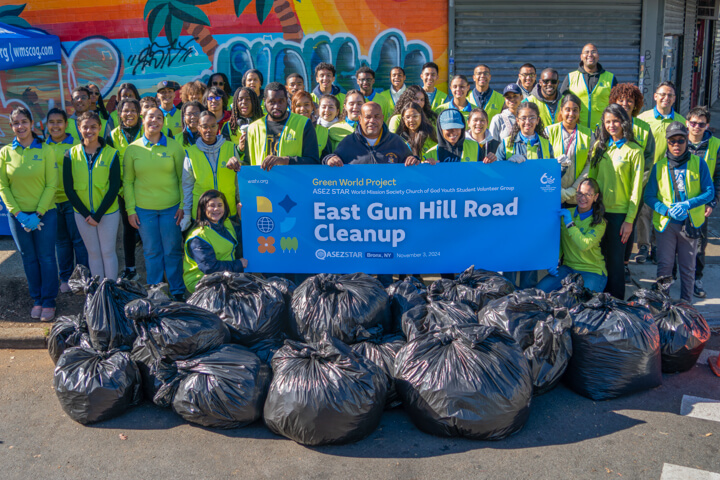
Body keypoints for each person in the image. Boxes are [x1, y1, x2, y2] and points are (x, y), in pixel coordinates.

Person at [644, 122, 714, 302]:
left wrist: (688, 204)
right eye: (672, 141)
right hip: (667, 225)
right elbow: (649, 196)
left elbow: (709, 192)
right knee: (664, 267)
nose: (676, 145)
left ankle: (686, 305)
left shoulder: (699, 164)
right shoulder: (659, 166)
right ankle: (664, 305)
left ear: (687, 141)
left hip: (690, 224)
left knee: (688, 267)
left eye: (681, 140)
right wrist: (666, 210)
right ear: (667, 142)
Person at [0, 107, 58, 321]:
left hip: (45, 214)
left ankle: (50, 300)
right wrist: (19, 214)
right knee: (29, 259)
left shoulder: (45, 149)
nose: (20, 126)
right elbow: (2, 186)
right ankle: (37, 299)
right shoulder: (5, 152)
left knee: (47, 258)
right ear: (12, 126)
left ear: (32, 123)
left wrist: (38, 214)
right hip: (18, 217)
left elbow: (52, 185)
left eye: (24, 122)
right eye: (16, 123)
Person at [123, 107, 186, 301]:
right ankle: (155, 290)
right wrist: (130, 210)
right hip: (144, 209)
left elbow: (183, 178)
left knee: (172, 249)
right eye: (151, 117)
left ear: (163, 122)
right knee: (151, 250)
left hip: (171, 207)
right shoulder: (132, 149)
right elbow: (128, 182)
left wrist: (183, 205)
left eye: (159, 118)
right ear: (143, 119)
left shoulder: (175, 147)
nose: (155, 121)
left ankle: (176, 291)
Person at [588, 104, 644, 300]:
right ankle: (600, 299)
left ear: (624, 122)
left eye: (615, 121)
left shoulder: (634, 150)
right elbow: (592, 181)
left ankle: (617, 302)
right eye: (608, 121)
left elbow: (636, 190)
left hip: (620, 214)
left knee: (615, 262)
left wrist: (629, 220)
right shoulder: (600, 147)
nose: (612, 125)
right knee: (598, 258)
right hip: (599, 212)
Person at [498, 102, 553, 289]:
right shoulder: (506, 143)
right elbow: (495, 177)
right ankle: (508, 297)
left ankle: (527, 299)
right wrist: (506, 165)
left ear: (538, 120)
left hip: (535, 209)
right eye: (523, 118)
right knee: (511, 254)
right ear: (517, 120)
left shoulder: (545, 144)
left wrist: (560, 168)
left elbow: (549, 179)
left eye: (531, 117)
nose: (527, 121)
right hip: (509, 209)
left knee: (530, 255)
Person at [63, 111, 121, 281]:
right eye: (85, 127)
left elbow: (114, 187)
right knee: (93, 253)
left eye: (93, 126)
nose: (89, 130)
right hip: (82, 214)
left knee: (108, 252)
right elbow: (69, 189)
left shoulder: (111, 154)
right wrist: (87, 214)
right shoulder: (70, 154)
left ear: (100, 128)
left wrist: (98, 215)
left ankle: (111, 292)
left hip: (108, 213)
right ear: (79, 128)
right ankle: (97, 293)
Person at [636, 81, 685, 264]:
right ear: (655, 96)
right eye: (662, 94)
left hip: (668, 176)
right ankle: (643, 244)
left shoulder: (680, 121)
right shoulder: (643, 118)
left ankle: (657, 246)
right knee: (644, 211)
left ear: (674, 98)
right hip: (647, 172)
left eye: (670, 95)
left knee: (663, 210)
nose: (666, 98)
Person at [608, 83, 655, 271]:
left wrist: (637, 184)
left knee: (630, 226)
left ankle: (625, 264)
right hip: (612, 188)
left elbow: (649, 159)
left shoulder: (644, 128)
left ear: (636, 104)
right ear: (614, 101)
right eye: (621, 100)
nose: (625, 103)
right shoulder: (606, 125)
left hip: (635, 189)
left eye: (630, 100)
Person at [537, 178, 608, 293]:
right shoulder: (566, 213)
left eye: (588, 194)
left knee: (579, 304)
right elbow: (559, 241)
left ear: (595, 197)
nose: (582, 198)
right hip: (568, 268)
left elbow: (584, 245)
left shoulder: (599, 222)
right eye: (579, 193)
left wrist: (570, 223)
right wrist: (553, 261)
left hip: (592, 270)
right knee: (539, 292)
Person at [45, 108, 87, 293]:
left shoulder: (76, 144)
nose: (55, 126)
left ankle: (84, 278)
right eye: (51, 122)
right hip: (52, 202)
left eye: (59, 122)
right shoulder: (42, 146)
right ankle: (65, 278)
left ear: (66, 124)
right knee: (61, 242)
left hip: (73, 200)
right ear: (47, 125)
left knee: (78, 240)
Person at [237, 82, 319, 169]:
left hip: (292, 181)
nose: (276, 106)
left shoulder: (304, 123)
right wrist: (237, 164)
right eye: (272, 102)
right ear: (265, 102)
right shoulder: (253, 128)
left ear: (287, 100)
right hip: (262, 181)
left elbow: (313, 161)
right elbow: (248, 163)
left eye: (281, 101)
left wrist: (285, 160)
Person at [685, 106, 720, 298]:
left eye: (701, 124)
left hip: (701, 206)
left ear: (707, 125)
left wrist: (712, 203)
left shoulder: (715, 145)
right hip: (680, 204)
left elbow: (718, 177)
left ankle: (696, 278)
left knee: (699, 244)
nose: (697, 127)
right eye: (693, 123)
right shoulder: (677, 141)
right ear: (687, 123)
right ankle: (672, 277)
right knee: (675, 242)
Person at [182, 110, 239, 229]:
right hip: (202, 211)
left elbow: (238, 181)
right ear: (198, 128)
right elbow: (187, 186)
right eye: (204, 126)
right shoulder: (191, 152)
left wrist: (240, 202)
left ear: (217, 127)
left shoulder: (230, 148)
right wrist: (186, 213)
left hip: (227, 209)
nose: (209, 130)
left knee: (230, 245)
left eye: (213, 126)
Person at [183, 190, 248, 293]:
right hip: (201, 281)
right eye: (212, 205)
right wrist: (239, 264)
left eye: (220, 205)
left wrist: (241, 217)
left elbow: (244, 237)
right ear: (204, 208)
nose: (216, 209)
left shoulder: (226, 223)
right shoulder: (198, 236)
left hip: (225, 275)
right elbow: (210, 268)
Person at [109, 98, 145, 281]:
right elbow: (110, 165)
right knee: (128, 230)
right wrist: (121, 190)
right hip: (124, 192)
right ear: (119, 114)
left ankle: (152, 270)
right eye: (125, 111)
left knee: (148, 229)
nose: (129, 114)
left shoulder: (147, 131)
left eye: (133, 110)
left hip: (147, 190)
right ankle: (130, 268)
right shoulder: (113, 135)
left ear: (139, 112)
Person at [323, 102, 420, 166]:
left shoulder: (396, 141)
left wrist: (413, 159)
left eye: (377, 117)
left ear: (382, 118)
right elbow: (332, 160)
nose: (372, 121)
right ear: (360, 119)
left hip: (389, 195)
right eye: (368, 117)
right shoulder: (348, 142)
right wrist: (329, 159)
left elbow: (411, 161)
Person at [545, 94, 592, 205]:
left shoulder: (589, 135)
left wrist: (573, 190)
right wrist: (557, 189)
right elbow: (544, 161)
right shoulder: (549, 132)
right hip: (552, 193)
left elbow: (589, 165)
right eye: (567, 110)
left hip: (577, 197)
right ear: (561, 110)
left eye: (575, 110)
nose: (571, 114)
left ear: (579, 112)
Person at [560, 43, 618, 130]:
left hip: (603, 131)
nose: (590, 55)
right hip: (577, 130)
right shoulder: (571, 77)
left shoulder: (610, 78)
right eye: (586, 52)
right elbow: (562, 103)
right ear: (581, 56)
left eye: (593, 52)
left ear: (598, 56)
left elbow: (616, 105)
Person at [292, 91, 331, 156]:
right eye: (298, 106)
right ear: (293, 108)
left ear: (312, 107)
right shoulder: (287, 129)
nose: (302, 109)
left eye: (306, 105)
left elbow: (326, 158)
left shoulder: (323, 132)